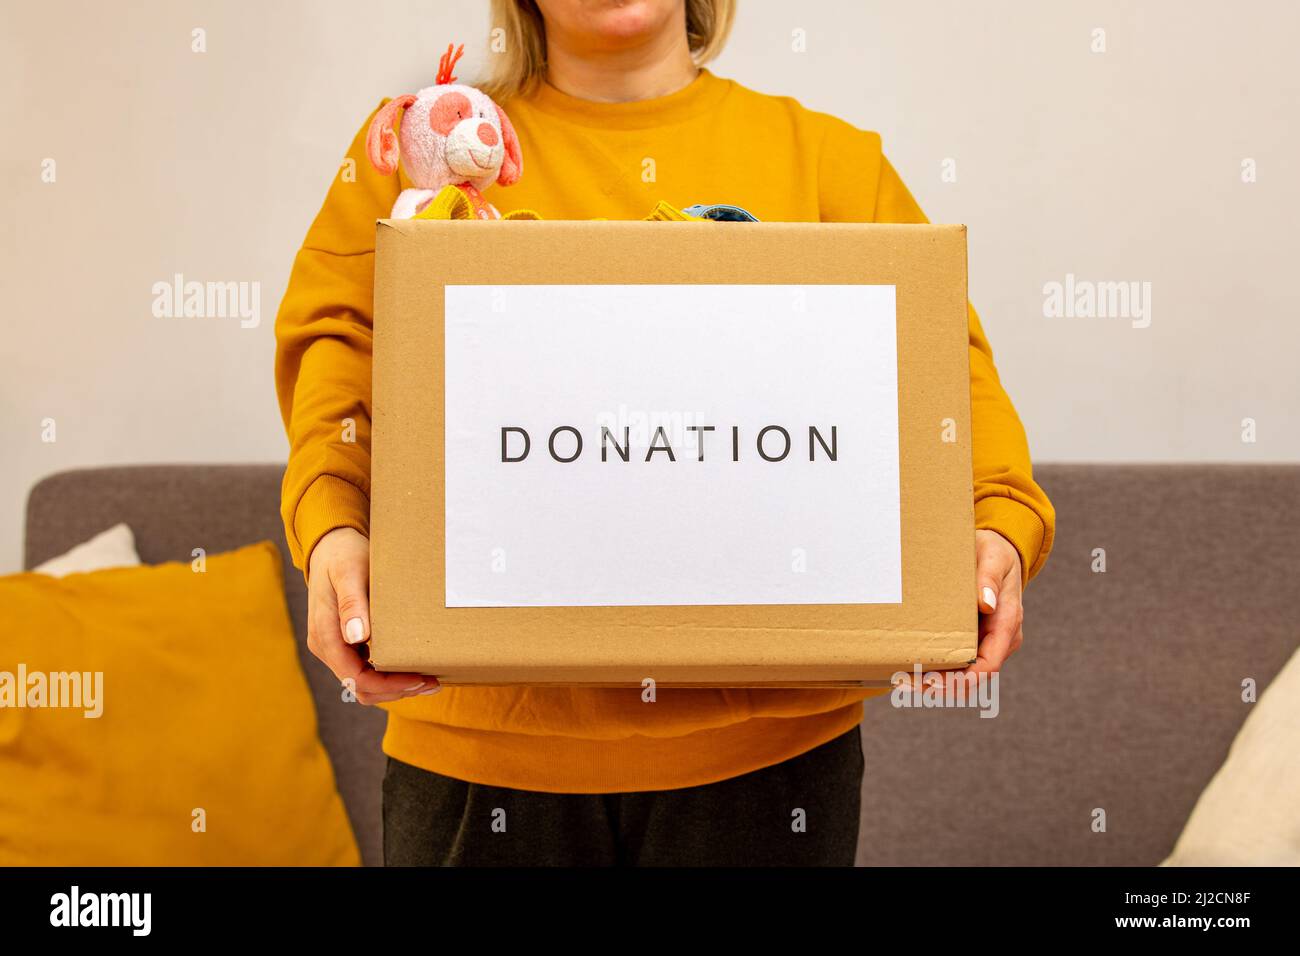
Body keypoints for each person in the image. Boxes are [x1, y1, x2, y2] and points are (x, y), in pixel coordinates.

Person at [274, 0, 1055, 866]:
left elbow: (946, 367)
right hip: (475, 751)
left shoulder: (831, 160)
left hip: (772, 762)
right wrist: (334, 524)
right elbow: (337, 347)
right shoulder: (425, 144)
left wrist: (997, 525)